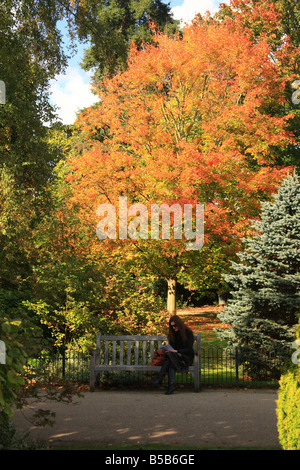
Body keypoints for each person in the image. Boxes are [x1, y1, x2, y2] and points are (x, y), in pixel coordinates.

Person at [151, 315, 195, 395]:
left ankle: (160, 379)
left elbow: (189, 349)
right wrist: (169, 350)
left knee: (170, 358)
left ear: (179, 324)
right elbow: (172, 348)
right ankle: (169, 387)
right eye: (172, 327)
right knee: (170, 359)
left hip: (185, 358)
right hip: (174, 358)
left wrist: (177, 351)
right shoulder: (172, 334)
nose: (173, 328)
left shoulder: (188, 332)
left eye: (175, 326)